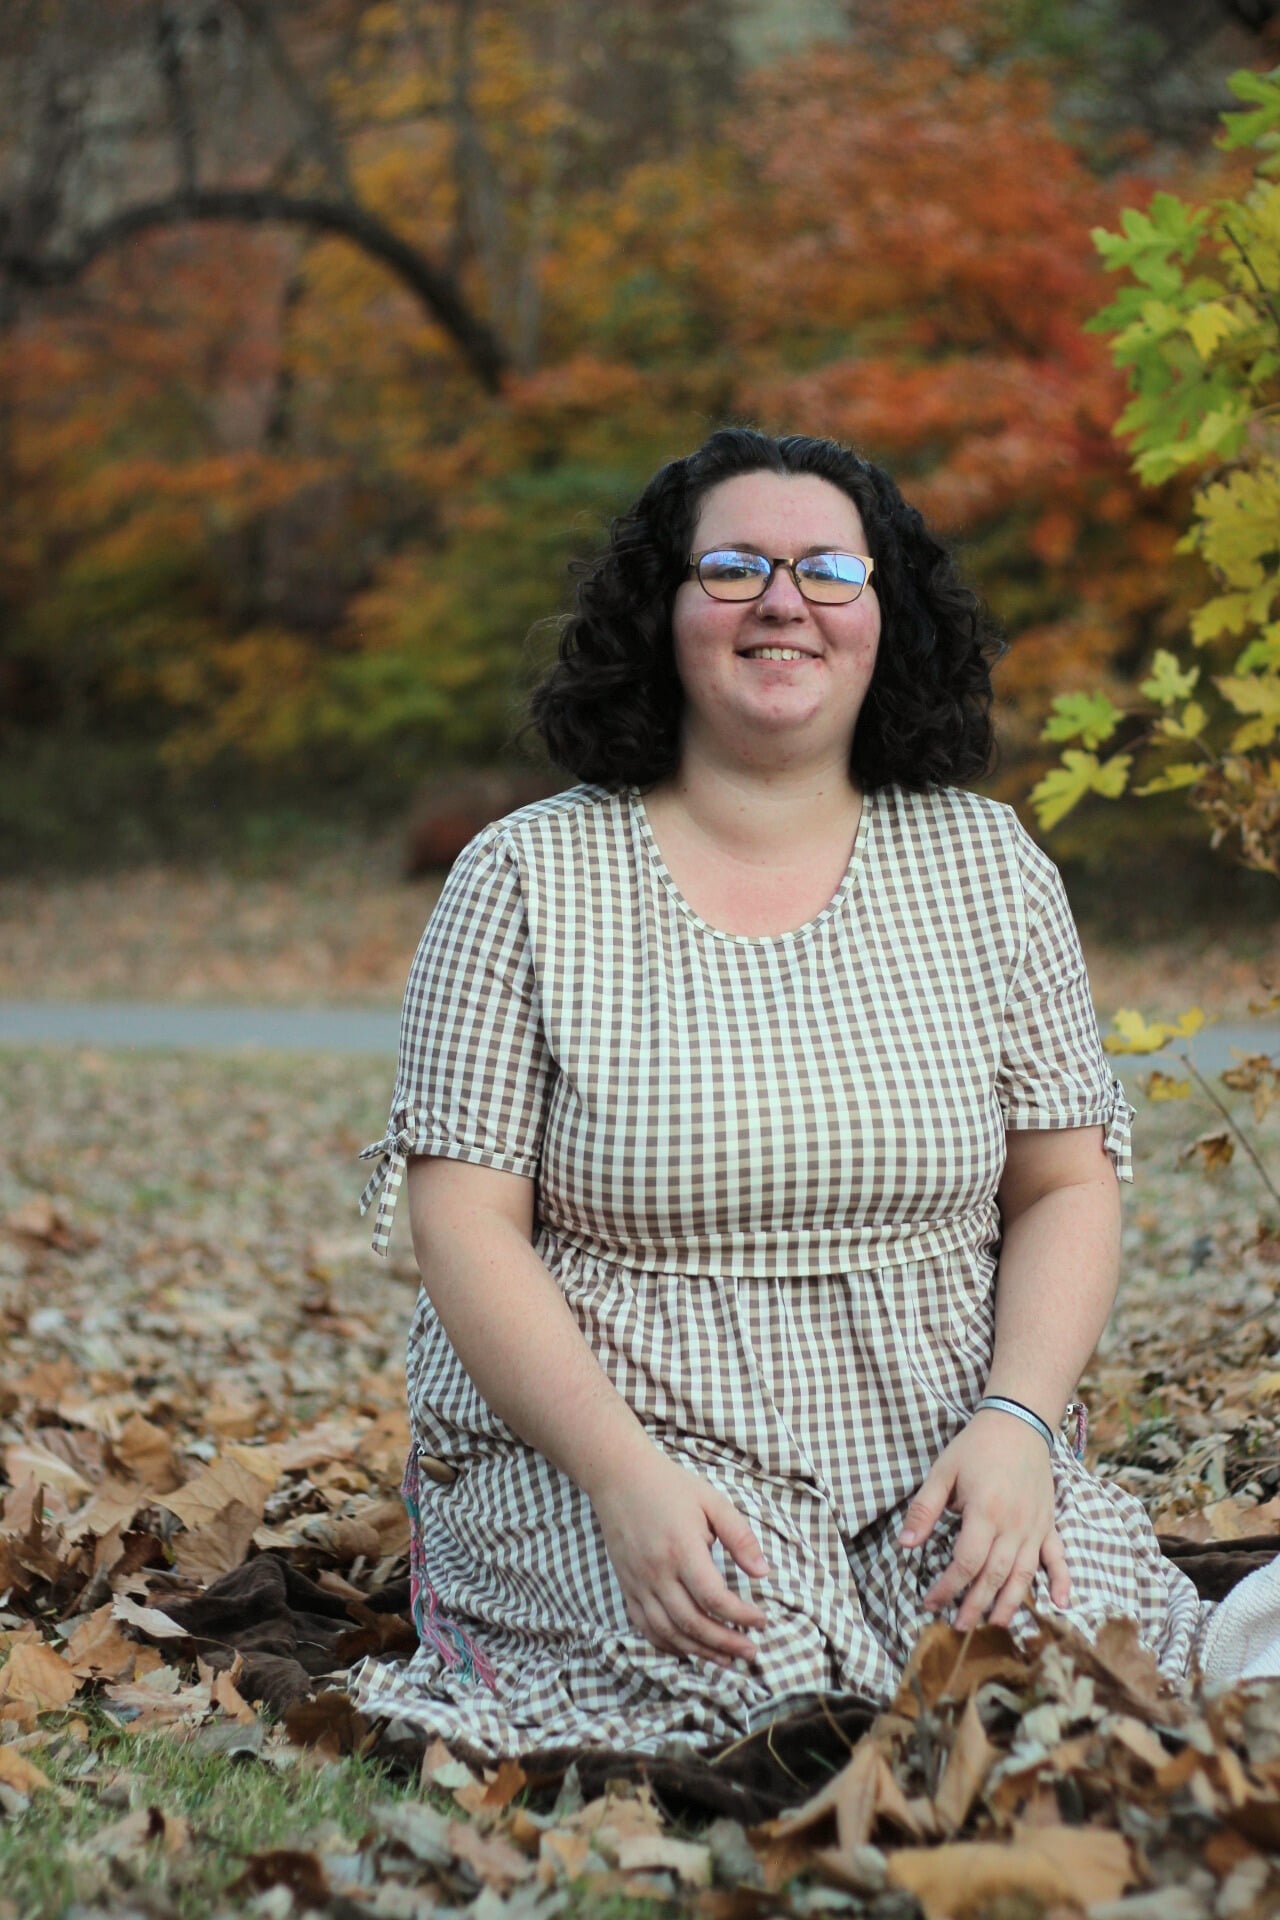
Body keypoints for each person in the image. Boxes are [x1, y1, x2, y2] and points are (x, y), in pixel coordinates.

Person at [350, 425, 1212, 1763]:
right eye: (735, 566)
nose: (783, 601)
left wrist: (1020, 1424)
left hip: (937, 1441)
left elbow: (1066, 1180)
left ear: (886, 616)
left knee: (1060, 1682)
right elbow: (463, 1224)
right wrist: (622, 1482)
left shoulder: (988, 867)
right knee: (762, 1698)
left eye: (829, 571)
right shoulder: (527, 878)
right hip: (627, 1443)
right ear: (665, 610)